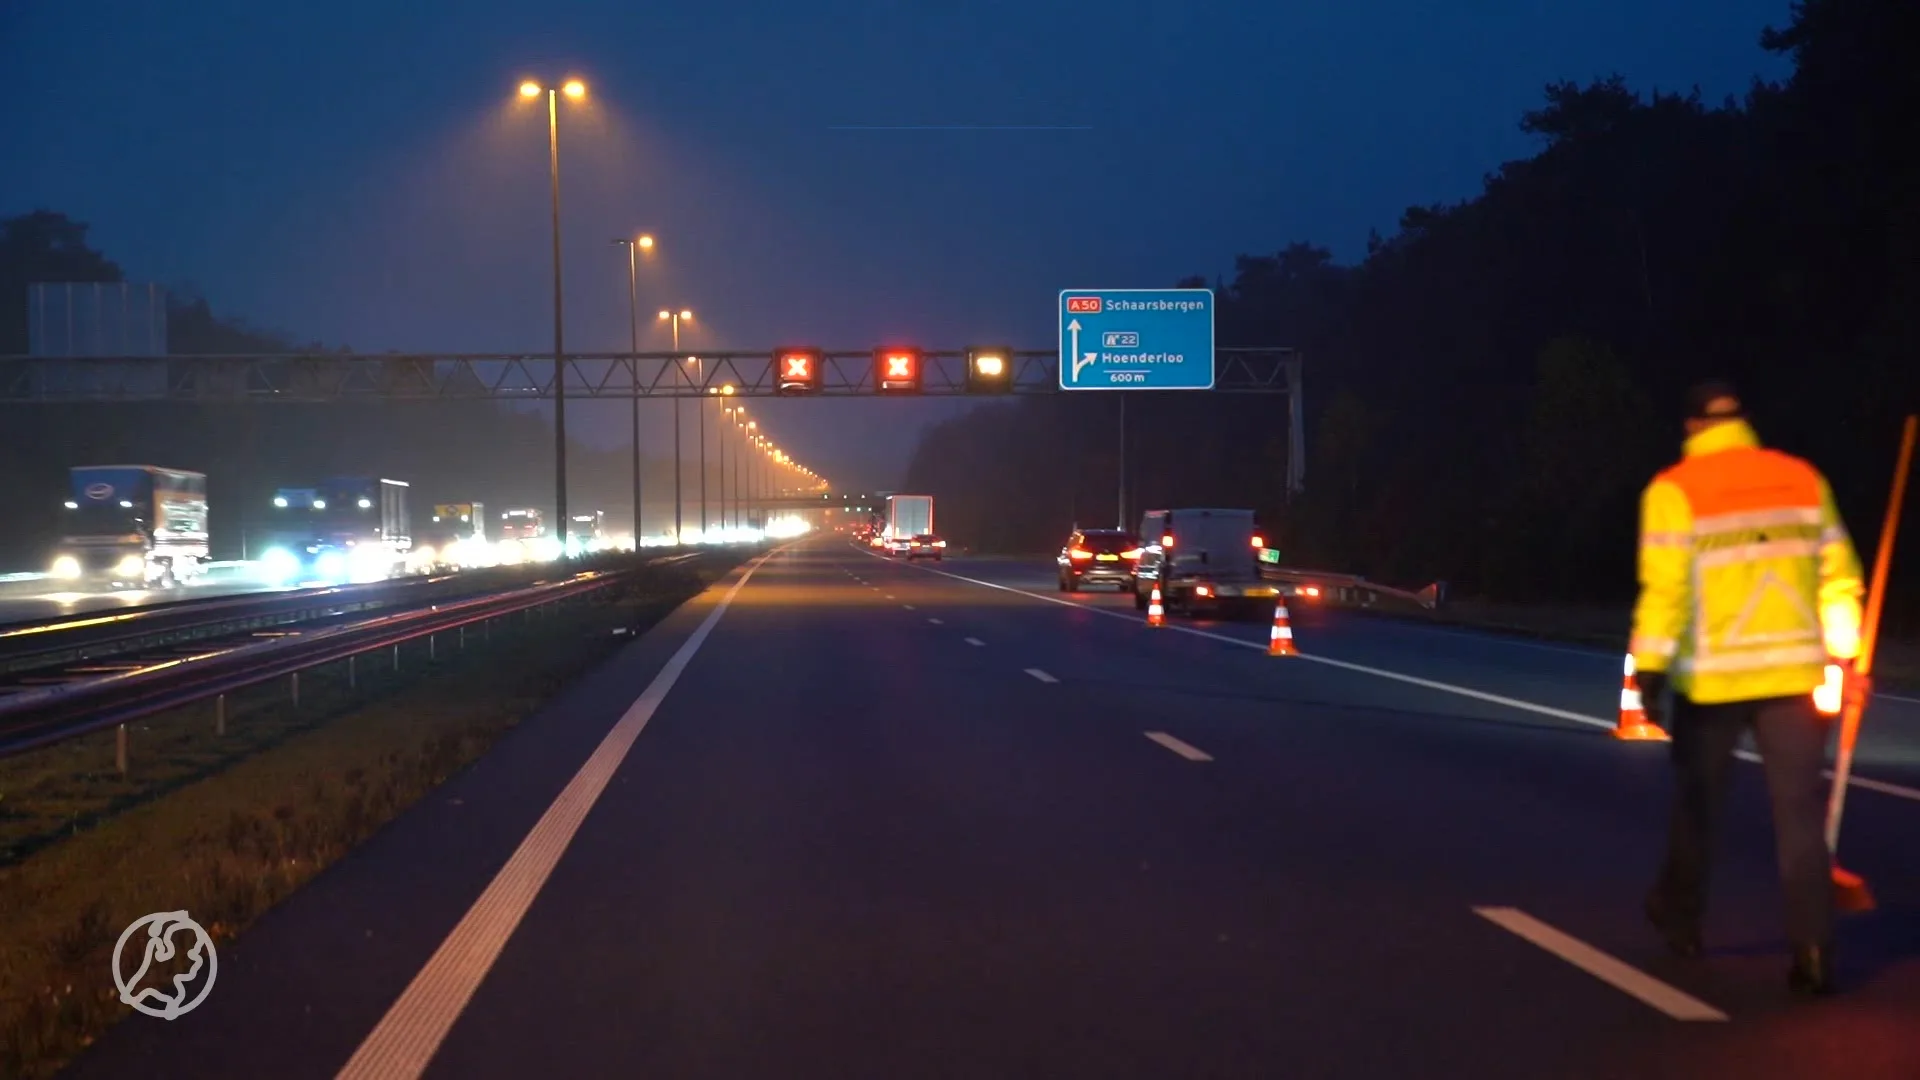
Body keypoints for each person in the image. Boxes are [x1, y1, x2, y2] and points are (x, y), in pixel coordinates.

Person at [1631, 380, 1867, 996]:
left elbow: (1668, 591)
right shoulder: (1801, 479)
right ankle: (1814, 950)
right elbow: (1839, 576)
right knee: (1798, 819)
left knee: (1698, 808)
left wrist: (1649, 668)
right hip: (1793, 675)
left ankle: (1680, 919)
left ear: (1689, 428)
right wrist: (1845, 655)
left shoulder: (1673, 491)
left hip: (1712, 681)